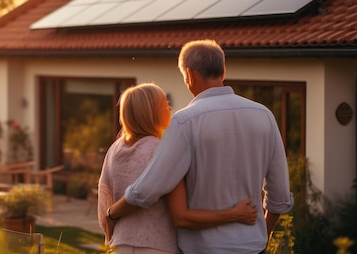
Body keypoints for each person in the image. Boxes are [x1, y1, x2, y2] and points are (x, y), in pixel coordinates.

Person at [106, 40, 294, 254]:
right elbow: (279, 197)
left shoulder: (185, 122)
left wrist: (112, 213)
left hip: (203, 248)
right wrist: (262, 237)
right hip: (253, 247)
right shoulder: (264, 116)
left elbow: (146, 190)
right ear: (223, 71)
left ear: (189, 75)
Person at [98, 82, 258, 254]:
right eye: (164, 104)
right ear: (151, 113)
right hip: (158, 247)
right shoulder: (162, 151)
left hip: (121, 245)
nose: (169, 107)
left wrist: (111, 227)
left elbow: (105, 201)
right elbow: (182, 214)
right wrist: (234, 213)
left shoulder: (114, 150)